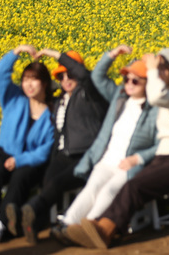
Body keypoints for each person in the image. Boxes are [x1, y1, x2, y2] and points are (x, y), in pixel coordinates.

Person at [64, 48, 169, 249]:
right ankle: (101, 228)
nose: (157, 71)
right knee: (129, 186)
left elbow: (156, 97)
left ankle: (105, 230)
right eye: (158, 66)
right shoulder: (149, 95)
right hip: (162, 159)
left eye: (163, 68)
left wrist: (150, 70)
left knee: (133, 186)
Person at [50, 48, 159, 244]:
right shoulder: (119, 97)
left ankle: (87, 227)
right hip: (107, 159)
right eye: (127, 79)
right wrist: (112, 55)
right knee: (92, 187)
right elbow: (97, 77)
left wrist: (137, 159)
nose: (129, 84)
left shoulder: (155, 110)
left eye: (135, 80)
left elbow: (161, 144)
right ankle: (67, 225)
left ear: (148, 83)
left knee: (109, 190)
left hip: (128, 165)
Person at [11, 49, 109, 244]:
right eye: (61, 76)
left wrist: (54, 54)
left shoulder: (90, 95)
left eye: (69, 74)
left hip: (86, 155)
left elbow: (83, 74)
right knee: (47, 181)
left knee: (56, 184)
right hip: (63, 156)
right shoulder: (61, 101)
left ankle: (28, 211)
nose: (66, 79)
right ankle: (35, 225)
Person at [0, 45, 54, 245]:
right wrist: (17, 51)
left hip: (28, 160)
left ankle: (0, 222)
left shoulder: (50, 116)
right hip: (3, 152)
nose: (29, 85)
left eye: (34, 80)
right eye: (25, 80)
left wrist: (19, 160)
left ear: (45, 83)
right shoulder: (14, 99)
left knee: (21, 177)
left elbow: (45, 150)